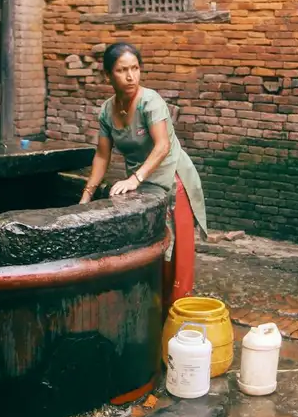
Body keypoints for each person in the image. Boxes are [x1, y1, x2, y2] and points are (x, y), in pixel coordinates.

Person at [79, 42, 208, 305]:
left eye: (135, 68)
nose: (130, 77)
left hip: (171, 180)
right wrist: (86, 196)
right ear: (108, 75)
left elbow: (162, 146)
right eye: (122, 70)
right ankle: (151, 312)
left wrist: (135, 178)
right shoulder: (107, 110)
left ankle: (175, 316)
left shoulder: (150, 101)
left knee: (176, 258)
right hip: (141, 186)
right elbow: (102, 156)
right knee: (150, 252)